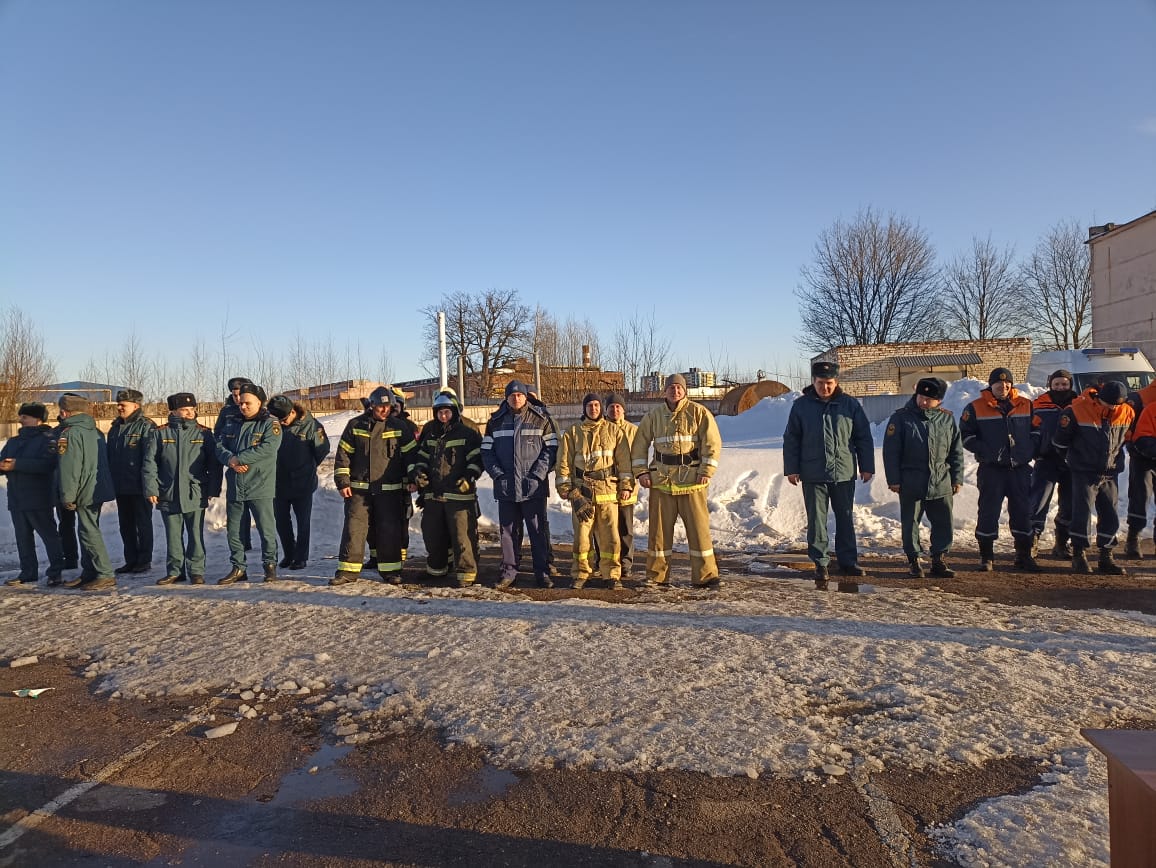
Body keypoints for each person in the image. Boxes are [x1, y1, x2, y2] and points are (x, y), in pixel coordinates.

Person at [782, 361, 875, 589]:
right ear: (813, 382)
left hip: (843, 472)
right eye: (821, 383)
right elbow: (792, 438)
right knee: (817, 520)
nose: (825, 388)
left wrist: (866, 465)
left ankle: (848, 561)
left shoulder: (849, 405)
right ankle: (820, 562)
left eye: (830, 383)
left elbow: (863, 436)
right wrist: (791, 468)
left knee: (845, 517)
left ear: (837, 382)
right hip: (812, 473)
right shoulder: (801, 406)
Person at [631, 373, 723, 589]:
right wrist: (641, 472)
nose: (675, 391)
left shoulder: (699, 413)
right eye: (671, 388)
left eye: (679, 388)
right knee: (659, 534)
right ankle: (656, 575)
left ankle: (706, 575)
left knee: (699, 531)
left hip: (692, 481)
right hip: (662, 482)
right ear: (665, 391)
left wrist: (706, 470)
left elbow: (712, 443)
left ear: (685, 391)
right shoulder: (653, 416)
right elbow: (639, 445)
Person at [331, 385, 417, 586]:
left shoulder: (399, 427)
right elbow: (343, 456)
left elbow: (411, 457)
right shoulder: (355, 425)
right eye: (380, 407)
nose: (385, 410)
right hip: (359, 491)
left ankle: (391, 571)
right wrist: (343, 482)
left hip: (390, 491)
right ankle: (347, 572)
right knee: (354, 530)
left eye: (388, 407)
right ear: (372, 406)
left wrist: (413, 478)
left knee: (389, 531)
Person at [959, 367, 1040, 572]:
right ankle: (986, 557)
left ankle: (1023, 555)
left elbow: (1037, 431)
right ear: (991, 385)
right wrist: (985, 451)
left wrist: (1028, 449)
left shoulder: (1026, 405)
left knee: (1022, 513)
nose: (1002, 387)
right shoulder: (975, 407)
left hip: (1019, 469)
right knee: (988, 512)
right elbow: (966, 436)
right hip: (991, 470)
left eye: (1007, 384)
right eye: (998, 384)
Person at [882, 378, 963, 578]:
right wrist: (894, 479)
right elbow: (891, 452)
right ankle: (914, 560)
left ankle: (939, 559)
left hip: (941, 481)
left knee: (943, 522)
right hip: (911, 481)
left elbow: (956, 452)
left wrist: (957, 478)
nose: (924, 402)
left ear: (939, 401)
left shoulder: (947, 419)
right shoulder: (901, 418)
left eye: (929, 399)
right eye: (921, 397)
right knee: (910, 523)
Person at [481, 379, 558, 589]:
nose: (516, 398)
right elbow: (486, 451)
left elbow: (551, 449)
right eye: (512, 395)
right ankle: (509, 572)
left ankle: (542, 572)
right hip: (506, 488)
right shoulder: (495, 421)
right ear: (506, 398)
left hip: (533, 487)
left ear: (526, 397)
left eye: (520, 395)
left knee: (538, 532)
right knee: (508, 533)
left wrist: (537, 475)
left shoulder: (540, 419)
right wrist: (498, 474)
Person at [1052, 380, 1134, 574]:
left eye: (1117, 404)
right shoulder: (1077, 410)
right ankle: (1079, 554)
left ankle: (1106, 555)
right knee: (1082, 513)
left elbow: (1126, 438)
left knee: (1110, 514)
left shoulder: (1127, 412)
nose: (1113, 407)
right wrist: (1075, 461)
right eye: (1110, 404)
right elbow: (1060, 441)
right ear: (1100, 398)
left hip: (1109, 471)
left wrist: (1115, 458)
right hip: (1084, 471)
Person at [555, 393, 633, 590]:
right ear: (584, 408)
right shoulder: (573, 433)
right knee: (582, 537)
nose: (594, 408)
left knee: (611, 537)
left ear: (601, 408)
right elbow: (563, 462)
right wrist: (566, 489)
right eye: (590, 405)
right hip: (581, 493)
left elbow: (624, 462)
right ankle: (581, 573)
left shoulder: (614, 431)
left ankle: (612, 575)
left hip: (608, 490)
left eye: (597, 405)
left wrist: (625, 486)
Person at [143, 393, 222, 585]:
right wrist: (151, 489)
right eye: (184, 410)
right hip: (168, 492)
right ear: (173, 411)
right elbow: (150, 463)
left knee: (195, 535)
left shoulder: (203, 433)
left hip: (194, 492)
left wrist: (213, 488)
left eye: (192, 409)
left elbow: (214, 464)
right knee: (173, 536)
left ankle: (196, 571)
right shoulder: (160, 433)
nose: (189, 413)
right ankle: (175, 571)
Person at [411, 391, 484, 587]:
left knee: (462, 536)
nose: (443, 416)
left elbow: (476, 459)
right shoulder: (431, 433)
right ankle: (436, 570)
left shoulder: (466, 432)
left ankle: (466, 574)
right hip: (434, 495)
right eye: (440, 412)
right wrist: (419, 473)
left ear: (454, 412)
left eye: (447, 412)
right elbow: (422, 458)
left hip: (459, 496)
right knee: (433, 535)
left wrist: (469, 477)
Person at [214, 383, 282, 584]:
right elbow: (219, 445)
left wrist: (239, 459)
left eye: (247, 403)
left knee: (265, 529)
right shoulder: (231, 422)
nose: (242, 406)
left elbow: (269, 448)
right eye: (240, 402)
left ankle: (269, 566)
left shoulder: (270, 423)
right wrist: (230, 460)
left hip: (259, 484)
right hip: (236, 484)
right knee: (234, 530)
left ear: (259, 402)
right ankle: (238, 568)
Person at [55, 393, 117, 591]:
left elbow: (70, 469)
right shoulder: (95, 431)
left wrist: (67, 496)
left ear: (64, 412)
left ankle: (105, 573)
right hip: (96, 487)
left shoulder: (70, 433)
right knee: (87, 530)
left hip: (84, 489)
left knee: (89, 532)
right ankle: (89, 572)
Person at [1, 402, 65, 587]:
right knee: (23, 538)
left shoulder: (48, 439)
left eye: (25, 417)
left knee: (49, 536)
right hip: (16, 499)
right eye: (21, 416)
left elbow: (47, 465)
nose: (20, 420)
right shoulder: (13, 441)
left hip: (39, 498)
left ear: (37, 419)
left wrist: (17, 465)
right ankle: (28, 572)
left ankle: (56, 571)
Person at [267, 395, 330, 570]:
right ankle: (289, 553)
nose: (282, 422)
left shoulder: (311, 425)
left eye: (284, 419)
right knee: (281, 521)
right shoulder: (273, 425)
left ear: (293, 411)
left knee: (303, 522)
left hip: (303, 482)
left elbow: (322, 450)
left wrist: (308, 466)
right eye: (278, 419)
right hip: (279, 482)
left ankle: (301, 557)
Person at [106, 388, 157, 574]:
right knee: (125, 525)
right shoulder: (115, 428)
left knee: (142, 524)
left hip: (138, 485)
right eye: (118, 404)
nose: (119, 407)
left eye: (123, 404)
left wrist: (149, 484)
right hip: (121, 485)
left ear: (136, 405)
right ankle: (131, 559)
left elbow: (149, 457)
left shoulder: (146, 426)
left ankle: (144, 560)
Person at [1029, 369, 1077, 557]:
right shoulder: (1039, 403)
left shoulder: (1079, 404)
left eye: (1064, 384)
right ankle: (1032, 540)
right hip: (1046, 459)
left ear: (1070, 385)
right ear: (1051, 384)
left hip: (1071, 460)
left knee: (1070, 503)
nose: (1060, 387)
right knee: (1038, 501)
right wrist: (1035, 451)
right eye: (1057, 384)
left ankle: (1061, 542)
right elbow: (1030, 430)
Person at [595, 392, 638, 579]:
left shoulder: (633, 431)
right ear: (606, 410)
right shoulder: (599, 428)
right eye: (611, 407)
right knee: (603, 528)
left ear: (624, 410)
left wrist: (628, 485)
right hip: (605, 488)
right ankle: (602, 561)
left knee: (625, 527)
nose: (614, 410)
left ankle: (626, 562)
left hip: (627, 487)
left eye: (618, 407)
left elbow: (638, 459)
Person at [215, 376, 254, 551]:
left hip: (255, 467)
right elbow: (218, 437)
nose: (238, 399)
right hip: (233, 466)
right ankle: (242, 543)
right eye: (234, 395)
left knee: (261, 510)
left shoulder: (258, 409)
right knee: (238, 508)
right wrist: (231, 460)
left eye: (240, 394)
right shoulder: (227, 412)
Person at [1123, 377, 1156, 558]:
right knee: (1140, 497)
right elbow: (1128, 424)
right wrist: (1132, 444)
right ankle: (1132, 538)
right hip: (1142, 456)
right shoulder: (1141, 398)